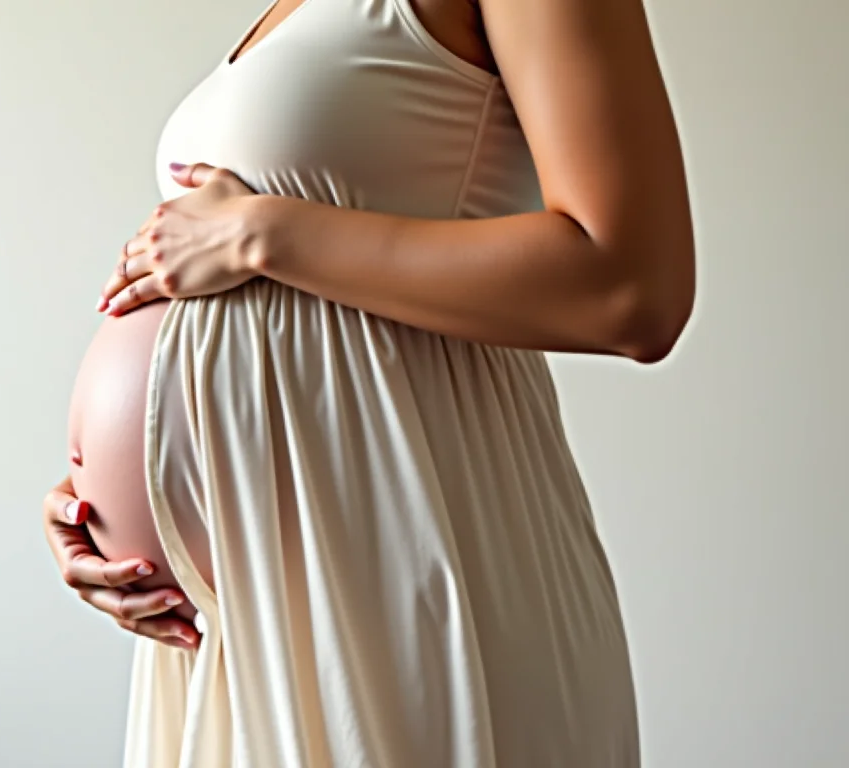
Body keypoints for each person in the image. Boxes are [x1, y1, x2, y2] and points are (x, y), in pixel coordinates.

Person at [43, 0, 693, 765]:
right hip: (245, 610)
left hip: (409, 556)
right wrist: (107, 500)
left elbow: (633, 287)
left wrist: (265, 234)